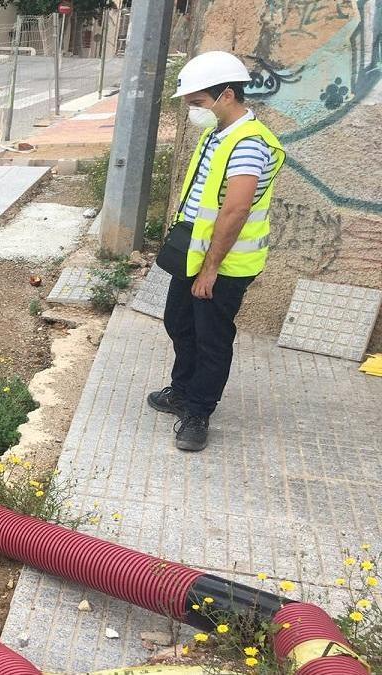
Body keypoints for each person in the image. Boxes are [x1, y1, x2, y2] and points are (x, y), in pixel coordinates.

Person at [147, 51, 285, 452]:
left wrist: (210, 270)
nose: (193, 112)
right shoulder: (217, 133)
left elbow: (236, 209)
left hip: (223, 264)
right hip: (195, 253)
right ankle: (183, 389)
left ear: (226, 95)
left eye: (197, 103)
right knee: (179, 323)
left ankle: (198, 412)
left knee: (211, 338)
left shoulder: (249, 144)